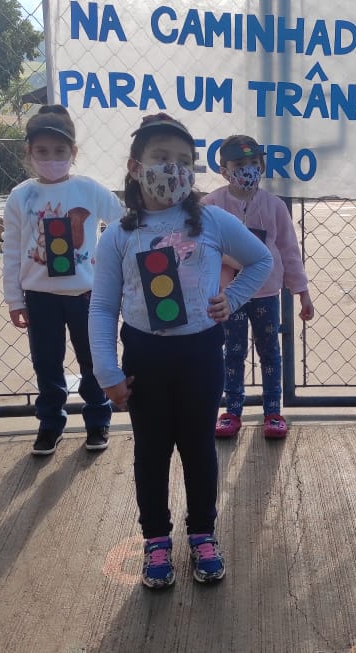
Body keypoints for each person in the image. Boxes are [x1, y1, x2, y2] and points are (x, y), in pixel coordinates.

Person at [89, 113, 272, 589]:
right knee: (151, 452)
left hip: (201, 356)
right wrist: (107, 373)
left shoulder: (211, 220)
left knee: (198, 449)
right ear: (135, 168)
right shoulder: (119, 235)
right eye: (161, 158)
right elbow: (103, 306)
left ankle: (202, 534)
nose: (173, 169)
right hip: (145, 359)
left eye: (184, 161)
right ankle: (156, 540)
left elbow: (260, 260)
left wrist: (232, 298)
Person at [2, 105, 122, 455]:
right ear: (29, 152)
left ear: (73, 152)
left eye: (59, 151)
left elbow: (122, 222)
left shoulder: (88, 189)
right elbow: (12, 250)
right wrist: (15, 299)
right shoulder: (20, 196)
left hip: (87, 295)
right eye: (42, 151)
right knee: (46, 363)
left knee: (92, 360)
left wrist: (108, 266)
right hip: (39, 296)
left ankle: (98, 420)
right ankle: (50, 423)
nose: (51, 159)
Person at [203, 134, 315, 439]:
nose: (248, 169)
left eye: (254, 162)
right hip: (230, 296)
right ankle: (232, 411)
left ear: (262, 166)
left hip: (266, 293)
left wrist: (301, 291)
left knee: (270, 353)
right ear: (224, 171)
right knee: (233, 353)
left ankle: (273, 412)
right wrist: (231, 260)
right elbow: (202, 244)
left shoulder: (274, 206)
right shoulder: (212, 205)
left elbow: (289, 251)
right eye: (239, 164)